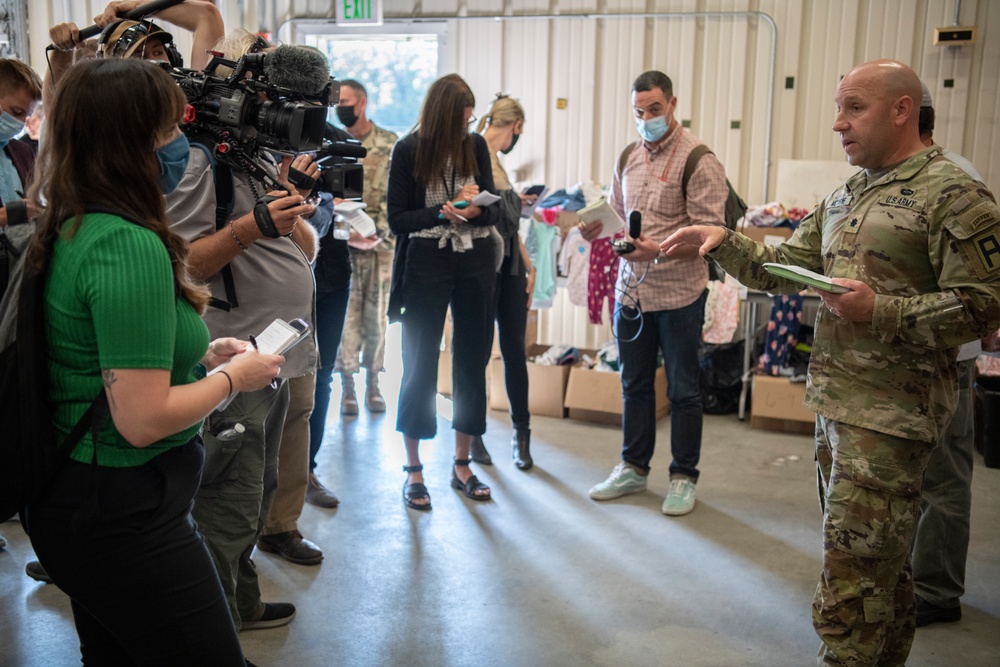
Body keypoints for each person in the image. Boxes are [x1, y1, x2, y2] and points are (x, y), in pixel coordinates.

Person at [661, 59, 1000, 666]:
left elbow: (984, 307)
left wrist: (881, 311)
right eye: (837, 108)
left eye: (853, 109)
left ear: (902, 110)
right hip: (838, 408)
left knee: (849, 584)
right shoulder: (850, 191)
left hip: (893, 419)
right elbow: (787, 265)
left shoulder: (953, 193)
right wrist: (723, 240)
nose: (837, 124)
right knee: (881, 576)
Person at [23, 57, 282, 665]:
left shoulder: (74, 222)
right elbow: (141, 419)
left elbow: (104, 359)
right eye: (169, 131)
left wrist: (196, 360)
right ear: (129, 142)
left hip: (81, 500)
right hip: (122, 508)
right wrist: (229, 379)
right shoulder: (127, 242)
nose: (181, 146)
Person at [164, 30, 320, 626]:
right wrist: (252, 227)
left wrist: (291, 206)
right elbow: (180, 268)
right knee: (228, 498)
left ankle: (242, 601)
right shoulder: (202, 161)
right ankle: (215, 628)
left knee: (257, 489)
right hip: (234, 352)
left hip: (277, 353)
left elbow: (303, 250)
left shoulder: (249, 157)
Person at [584, 70, 728, 516]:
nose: (646, 119)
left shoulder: (699, 160)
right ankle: (633, 467)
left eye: (654, 110)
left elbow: (709, 236)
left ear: (673, 104)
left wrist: (657, 254)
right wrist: (601, 231)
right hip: (632, 295)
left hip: (680, 296)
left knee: (684, 390)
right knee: (634, 385)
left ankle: (683, 477)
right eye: (638, 112)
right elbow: (618, 215)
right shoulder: (627, 155)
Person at [387, 73, 502, 510]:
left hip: (474, 262)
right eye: (461, 121)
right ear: (441, 117)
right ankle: (414, 470)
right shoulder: (408, 149)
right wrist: (442, 211)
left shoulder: (475, 146)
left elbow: (491, 214)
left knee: (472, 362)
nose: (467, 129)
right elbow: (398, 220)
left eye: (470, 121)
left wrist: (473, 209)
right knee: (418, 365)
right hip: (425, 262)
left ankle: (462, 463)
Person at [909, 80, 984, 627]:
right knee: (919, 478)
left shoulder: (954, 182)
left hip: (947, 358)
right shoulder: (886, 182)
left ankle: (937, 592)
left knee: (943, 477)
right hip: (910, 360)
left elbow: (974, 297)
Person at [476, 93, 537, 470]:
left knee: (515, 351)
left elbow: (510, 227)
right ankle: (474, 435)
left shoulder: (498, 162)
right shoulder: (474, 153)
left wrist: (529, 266)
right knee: (478, 353)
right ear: (516, 126)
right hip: (482, 267)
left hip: (511, 266)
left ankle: (521, 435)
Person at [333, 79, 398, 417]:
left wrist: (378, 236)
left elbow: (395, 197)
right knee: (346, 319)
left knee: (377, 319)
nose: (339, 106)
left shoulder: (388, 143)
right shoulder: (332, 143)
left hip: (381, 247)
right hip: (343, 248)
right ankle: (348, 388)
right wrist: (347, 234)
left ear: (362, 103)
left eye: (344, 100)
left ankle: (374, 383)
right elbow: (328, 200)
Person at [0, 58, 41, 233]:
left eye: (26, 115)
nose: (20, 123)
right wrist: (6, 216)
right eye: (16, 112)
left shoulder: (23, 152)